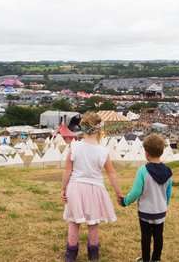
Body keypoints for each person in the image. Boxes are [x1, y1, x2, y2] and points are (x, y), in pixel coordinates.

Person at [61, 112, 124, 262]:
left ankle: (71, 252)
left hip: (76, 187)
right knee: (93, 222)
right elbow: (111, 174)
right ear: (99, 130)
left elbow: (67, 170)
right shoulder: (103, 152)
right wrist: (119, 193)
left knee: (74, 222)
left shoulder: (74, 146)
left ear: (82, 128)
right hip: (95, 189)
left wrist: (63, 188)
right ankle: (93, 253)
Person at [120, 134, 173, 262]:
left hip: (145, 211)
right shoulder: (168, 171)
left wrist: (125, 201)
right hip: (160, 211)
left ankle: (145, 259)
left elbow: (135, 192)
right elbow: (168, 193)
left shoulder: (142, 171)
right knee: (158, 236)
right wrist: (164, 205)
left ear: (146, 153)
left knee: (146, 236)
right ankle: (156, 259)